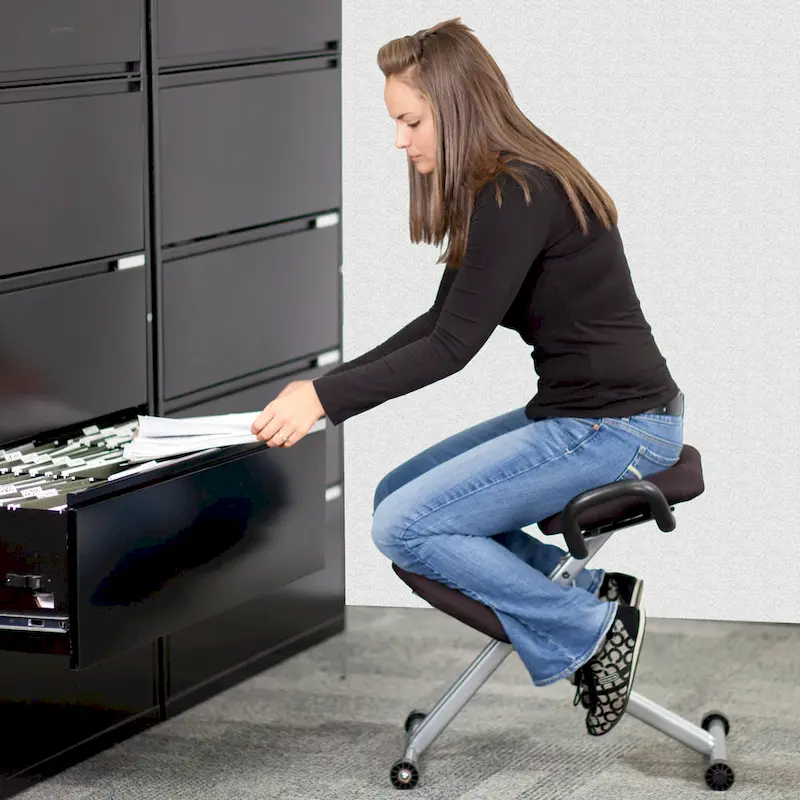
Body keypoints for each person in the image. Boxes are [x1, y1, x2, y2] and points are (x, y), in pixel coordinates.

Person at [250, 17, 684, 737]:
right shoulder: (505, 186)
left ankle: (588, 624)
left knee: (403, 525)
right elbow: (436, 322)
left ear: (453, 107)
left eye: (410, 121)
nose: (400, 140)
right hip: (587, 415)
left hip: (620, 429)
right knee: (397, 496)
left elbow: (451, 348)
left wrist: (323, 398)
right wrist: (321, 395)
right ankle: (576, 590)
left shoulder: (520, 191)